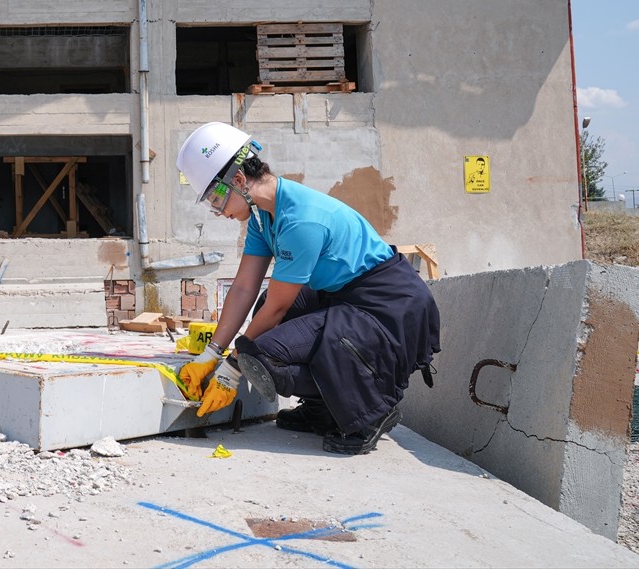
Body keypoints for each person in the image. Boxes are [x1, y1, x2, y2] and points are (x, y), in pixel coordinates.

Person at [175, 122, 440, 455]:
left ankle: (370, 410)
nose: (218, 211)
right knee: (261, 310)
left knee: (262, 354)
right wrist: (210, 354)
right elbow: (244, 287)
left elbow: (278, 310)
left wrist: (231, 368)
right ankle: (324, 406)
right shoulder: (262, 217)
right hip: (346, 295)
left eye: (216, 198)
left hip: (388, 306)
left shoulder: (301, 220)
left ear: (239, 181)